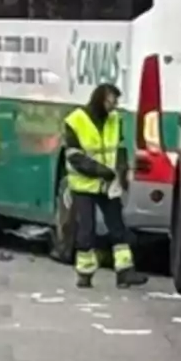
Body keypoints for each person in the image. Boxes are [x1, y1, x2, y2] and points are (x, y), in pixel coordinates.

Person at [63, 83, 149, 289]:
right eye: (112, 100)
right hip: (84, 184)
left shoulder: (114, 120)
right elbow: (75, 157)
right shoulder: (75, 121)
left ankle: (125, 271)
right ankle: (84, 273)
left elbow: (118, 149)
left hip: (108, 183)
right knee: (87, 230)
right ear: (101, 99)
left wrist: (121, 170)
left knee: (117, 226)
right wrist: (100, 170)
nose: (114, 105)